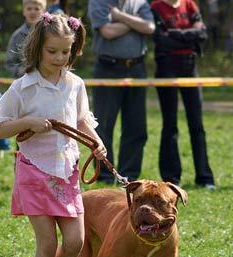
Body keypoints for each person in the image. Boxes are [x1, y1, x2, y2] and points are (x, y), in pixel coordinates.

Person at [0, 13, 107, 257]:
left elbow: (81, 120)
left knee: (75, 242)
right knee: (47, 244)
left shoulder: (75, 84)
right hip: (34, 171)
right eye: (53, 52)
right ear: (38, 49)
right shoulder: (24, 88)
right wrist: (28, 123)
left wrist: (96, 142)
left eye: (66, 52)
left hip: (67, 171)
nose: (60, 58)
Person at [88, 0, 155, 184]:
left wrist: (120, 17)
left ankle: (129, 177)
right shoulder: (99, 2)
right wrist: (135, 24)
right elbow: (107, 32)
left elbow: (149, 27)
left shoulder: (140, 2)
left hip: (137, 69)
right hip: (108, 68)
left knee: (136, 126)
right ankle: (105, 175)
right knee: (103, 126)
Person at [150, 0, 215, 189]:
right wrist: (189, 36)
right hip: (166, 66)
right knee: (170, 125)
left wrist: (175, 34)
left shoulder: (190, 5)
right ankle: (171, 178)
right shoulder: (156, 7)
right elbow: (161, 40)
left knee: (197, 124)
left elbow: (202, 34)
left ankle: (204, 177)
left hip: (190, 65)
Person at [5, 0, 46, 78]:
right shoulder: (17, 35)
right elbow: (9, 62)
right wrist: (23, 72)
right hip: (25, 81)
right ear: (24, 12)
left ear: (44, 12)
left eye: (37, 9)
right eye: (29, 9)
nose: (32, 12)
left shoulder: (49, 34)